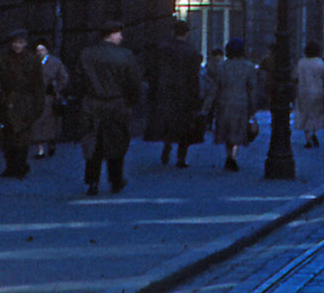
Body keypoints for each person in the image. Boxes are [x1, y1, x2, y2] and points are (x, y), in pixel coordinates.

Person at [77, 22, 145, 195]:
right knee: (117, 143)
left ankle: (92, 182)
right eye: (118, 33)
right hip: (116, 104)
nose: (121, 37)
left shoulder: (86, 54)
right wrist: (132, 102)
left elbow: (78, 80)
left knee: (94, 143)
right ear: (111, 34)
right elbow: (133, 82)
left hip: (92, 103)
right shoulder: (125, 55)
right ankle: (116, 180)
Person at [0, 29, 46, 180]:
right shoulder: (3, 59)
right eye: (15, 42)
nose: (17, 45)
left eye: (20, 42)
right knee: (8, 136)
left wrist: (38, 104)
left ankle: (21, 165)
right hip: (7, 101)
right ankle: (10, 166)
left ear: (25, 43)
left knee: (22, 135)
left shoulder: (32, 60)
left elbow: (38, 84)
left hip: (25, 101)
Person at [147, 17, 202, 168]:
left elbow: (154, 70)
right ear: (187, 33)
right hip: (184, 93)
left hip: (165, 91)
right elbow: (194, 77)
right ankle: (181, 158)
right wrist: (197, 98)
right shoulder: (191, 51)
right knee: (184, 125)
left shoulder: (162, 49)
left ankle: (167, 144)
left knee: (168, 121)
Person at [205, 38, 262, 170]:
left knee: (227, 131)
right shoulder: (249, 67)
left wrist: (206, 108)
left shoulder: (222, 67)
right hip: (242, 103)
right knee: (238, 132)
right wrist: (253, 108)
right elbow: (252, 89)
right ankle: (233, 157)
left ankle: (229, 155)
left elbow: (215, 88)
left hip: (224, 102)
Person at [35, 39, 68, 157]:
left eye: (42, 50)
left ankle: (51, 143)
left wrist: (56, 88)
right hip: (38, 97)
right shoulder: (33, 63)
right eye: (38, 50)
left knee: (52, 123)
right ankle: (40, 149)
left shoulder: (55, 63)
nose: (40, 53)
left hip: (51, 97)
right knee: (37, 124)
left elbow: (64, 77)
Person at [294, 42, 324, 146]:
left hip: (303, 90)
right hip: (318, 90)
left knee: (304, 113)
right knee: (316, 113)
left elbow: (295, 76)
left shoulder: (301, 62)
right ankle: (314, 132)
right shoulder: (320, 63)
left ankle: (308, 137)